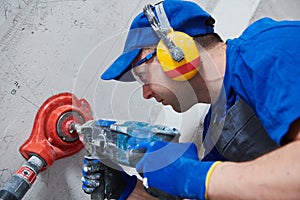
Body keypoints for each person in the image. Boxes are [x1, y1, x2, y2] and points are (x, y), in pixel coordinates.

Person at [82, 0, 300, 199]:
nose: (145, 93)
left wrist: (189, 175)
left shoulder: (268, 48)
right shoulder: (217, 129)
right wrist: (127, 190)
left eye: (142, 76)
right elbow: (223, 189)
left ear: (176, 53)